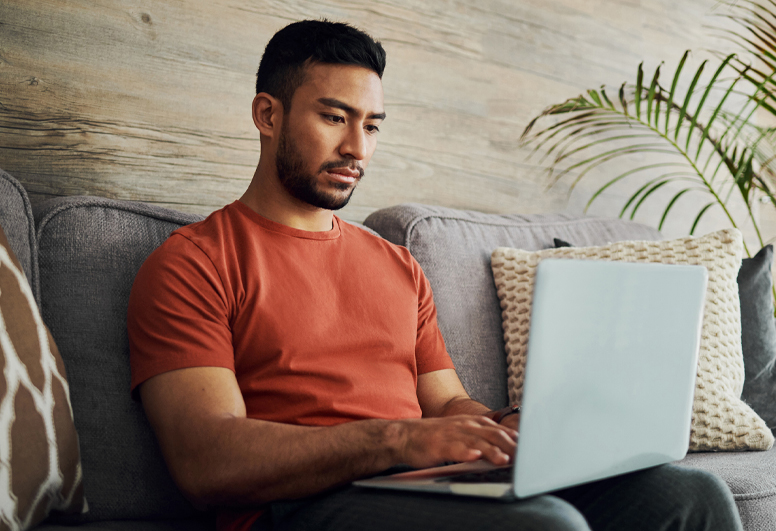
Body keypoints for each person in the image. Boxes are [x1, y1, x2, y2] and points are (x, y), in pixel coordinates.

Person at [127, 19, 743, 531]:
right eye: (334, 118)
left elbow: (445, 401)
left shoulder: (396, 264)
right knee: (545, 525)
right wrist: (395, 441)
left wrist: (504, 426)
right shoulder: (195, 262)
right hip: (299, 506)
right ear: (268, 114)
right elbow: (206, 461)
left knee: (690, 498)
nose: (357, 148)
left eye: (372, 126)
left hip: (420, 486)